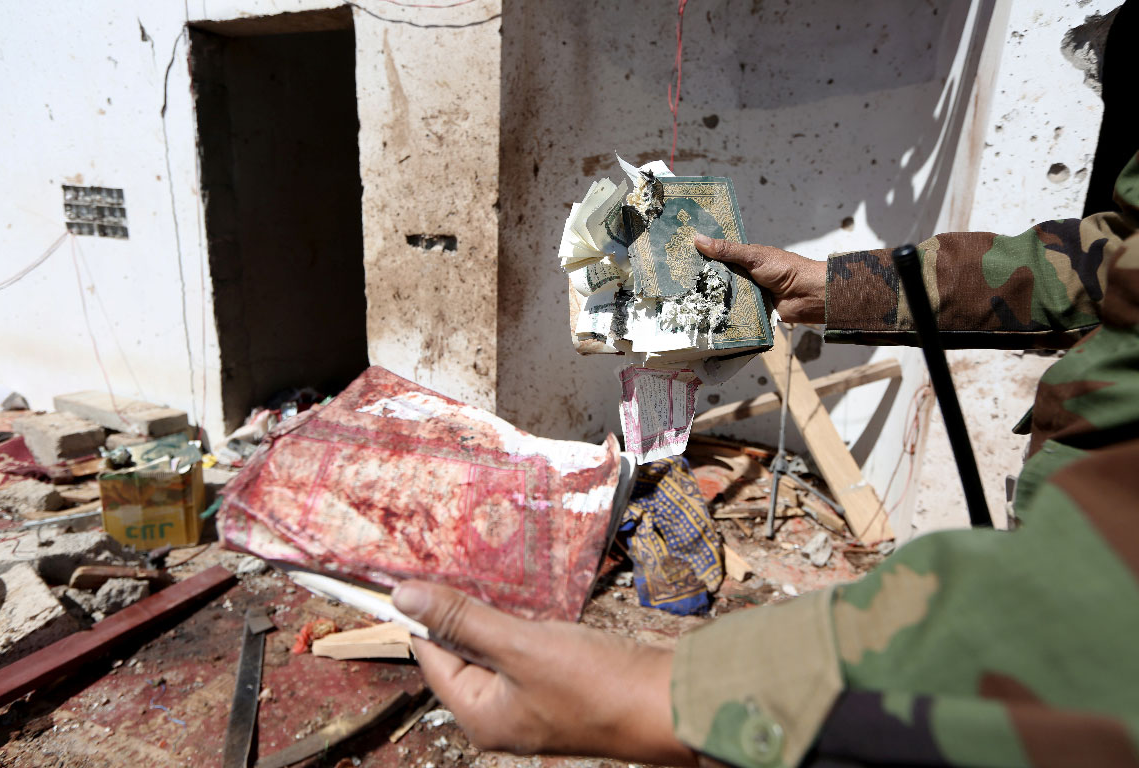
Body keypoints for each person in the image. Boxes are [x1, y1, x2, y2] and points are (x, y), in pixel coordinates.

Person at [391, 151, 1139, 768]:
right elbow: (1098, 260)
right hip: (1068, 489)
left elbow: (1085, 652)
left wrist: (650, 698)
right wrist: (837, 289)